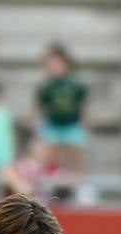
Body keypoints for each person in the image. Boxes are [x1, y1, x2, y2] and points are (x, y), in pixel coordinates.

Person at [35, 45, 88, 178]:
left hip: (72, 124)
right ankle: (54, 182)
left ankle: (77, 182)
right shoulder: (46, 86)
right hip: (53, 125)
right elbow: (40, 107)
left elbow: (83, 105)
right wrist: (38, 125)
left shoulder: (75, 84)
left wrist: (84, 124)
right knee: (52, 157)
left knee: (74, 156)